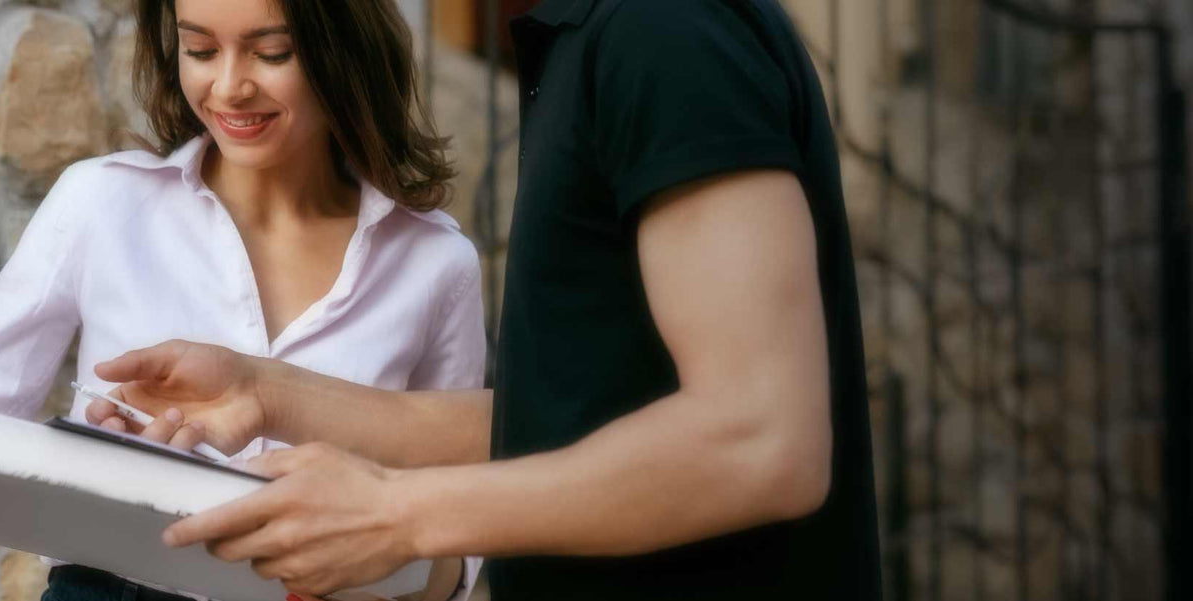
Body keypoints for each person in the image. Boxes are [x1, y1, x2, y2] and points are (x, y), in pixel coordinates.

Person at [85, 0, 883, 599]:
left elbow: (762, 440)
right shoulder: (597, 37)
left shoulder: (664, 32)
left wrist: (396, 513)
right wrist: (267, 390)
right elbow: (572, 418)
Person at [0, 0, 487, 600]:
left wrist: (372, 573)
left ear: (344, 51)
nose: (229, 86)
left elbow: (457, 525)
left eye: (272, 53)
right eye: (201, 49)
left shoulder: (436, 265)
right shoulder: (100, 203)